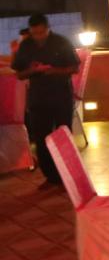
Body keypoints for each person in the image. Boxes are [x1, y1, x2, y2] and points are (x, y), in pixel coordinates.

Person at [12, 14, 79, 187]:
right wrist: (32, 70)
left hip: (61, 94)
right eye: (35, 33)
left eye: (42, 32)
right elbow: (19, 74)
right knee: (41, 138)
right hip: (38, 97)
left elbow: (74, 67)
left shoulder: (61, 42)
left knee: (64, 135)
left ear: (48, 28)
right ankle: (51, 177)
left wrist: (54, 70)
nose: (39, 36)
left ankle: (69, 176)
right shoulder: (26, 45)